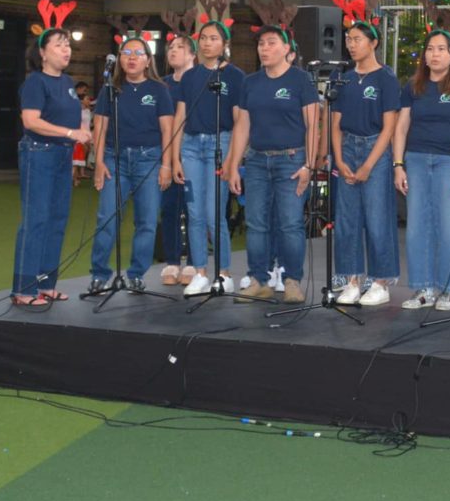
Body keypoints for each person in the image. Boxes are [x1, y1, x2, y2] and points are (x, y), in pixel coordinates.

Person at [224, 26, 319, 302]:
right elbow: (242, 125)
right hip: (256, 161)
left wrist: (309, 165)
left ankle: (292, 281)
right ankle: (259, 279)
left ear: (287, 49)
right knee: (256, 223)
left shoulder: (301, 80)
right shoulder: (251, 82)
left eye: (271, 43)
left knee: (290, 223)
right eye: (261, 44)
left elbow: (313, 125)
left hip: (292, 160)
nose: (264, 48)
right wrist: (233, 165)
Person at [394, 30, 450, 310]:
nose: (435, 54)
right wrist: (398, 165)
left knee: (448, 227)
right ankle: (423, 288)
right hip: (417, 161)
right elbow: (401, 128)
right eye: (430, 49)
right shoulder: (413, 86)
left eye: (442, 49)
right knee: (416, 228)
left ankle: (445, 289)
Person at [85, 37, 175, 293]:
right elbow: (100, 128)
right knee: (107, 218)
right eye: (126, 52)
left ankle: (136, 274)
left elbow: (167, 130)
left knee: (146, 220)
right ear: (120, 60)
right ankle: (99, 274)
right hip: (115, 159)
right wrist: (99, 162)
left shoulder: (159, 90)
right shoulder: (110, 90)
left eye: (138, 53)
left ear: (148, 61)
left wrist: (166, 165)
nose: (132, 57)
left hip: (149, 159)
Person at [11, 26, 92, 305]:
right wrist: (70, 133)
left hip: (62, 155)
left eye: (67, 44)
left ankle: (46, 284)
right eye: (59, 44)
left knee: (57, 219)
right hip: (39, 153)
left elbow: (69, 117)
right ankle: (24, 289)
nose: (66, 49)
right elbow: (31, 121)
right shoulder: (35, 82)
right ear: (43, 53)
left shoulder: (68, 82)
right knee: (36, 220)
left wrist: (81, 132)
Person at [171, 20, 247, 296]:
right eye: (203, 38)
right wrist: (175, 158)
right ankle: (201, 272)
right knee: (194, 213)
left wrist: (233, 160)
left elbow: (240, 121)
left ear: (225, 43)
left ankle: (223, 272)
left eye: (214, 38)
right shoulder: (190, 76)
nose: (207, 43)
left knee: (215, 213)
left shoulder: (235, 76)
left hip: (221, 143)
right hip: (190, 146)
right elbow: (180, 116)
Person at [332, 21, 401, 307]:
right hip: (347, 148)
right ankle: (351, 281)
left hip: (375, 149)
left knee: (377, 219)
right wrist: (339, 159)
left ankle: (381, 282)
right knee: (346, 220)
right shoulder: (344, 79)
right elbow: (335, 122)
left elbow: (389, 126)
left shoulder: (386, 78)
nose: (351, 44)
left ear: (373, 43)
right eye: (348, 39)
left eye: (357, 39)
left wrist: (369, 165)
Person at [158, 34, 196, 286]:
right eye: (171, 47)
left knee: (193, 210)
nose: (173, 51)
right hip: (166, 154)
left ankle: (193, 261)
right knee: (169, 208)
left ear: (192, 54)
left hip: (195, 153)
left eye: (180, 47)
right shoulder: (161, 85)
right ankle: (172, 262)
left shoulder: (201, 82)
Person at [72, 82, 93, 185]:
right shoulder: (77, 110)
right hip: (79, 136)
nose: (89, 101)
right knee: (76, 159)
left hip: (86, 135)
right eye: (87, 99)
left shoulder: (88, 111)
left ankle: (78, 176)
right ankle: (74, 178)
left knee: (80, 157)